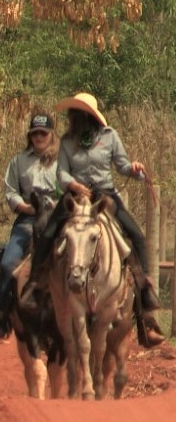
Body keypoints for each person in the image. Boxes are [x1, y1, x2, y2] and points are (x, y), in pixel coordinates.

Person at [24, 92, 165, 348]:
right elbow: (61, 173)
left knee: (136, 236)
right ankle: (36, 286)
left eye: (79, 113)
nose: (74, 117)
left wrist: (133, 168)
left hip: (105, 195)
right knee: (47, 232)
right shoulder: (67, 141)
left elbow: (121, 166)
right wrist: (74, 185)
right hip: (75, 196)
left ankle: (145, 306)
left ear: (90, 116)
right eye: (73, 113)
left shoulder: (109, 137)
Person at [0, 113, 60, 338]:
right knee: (9, 263)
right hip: (29, 217)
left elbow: (70, 186)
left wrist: (59, 204)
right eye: (35, 133)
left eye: (43, 133)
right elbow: (10, 190)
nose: (39, 137)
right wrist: (24, 207)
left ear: (51, 134)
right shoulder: (18, 160)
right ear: (30, 136)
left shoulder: (63, 159)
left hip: (58, 217)